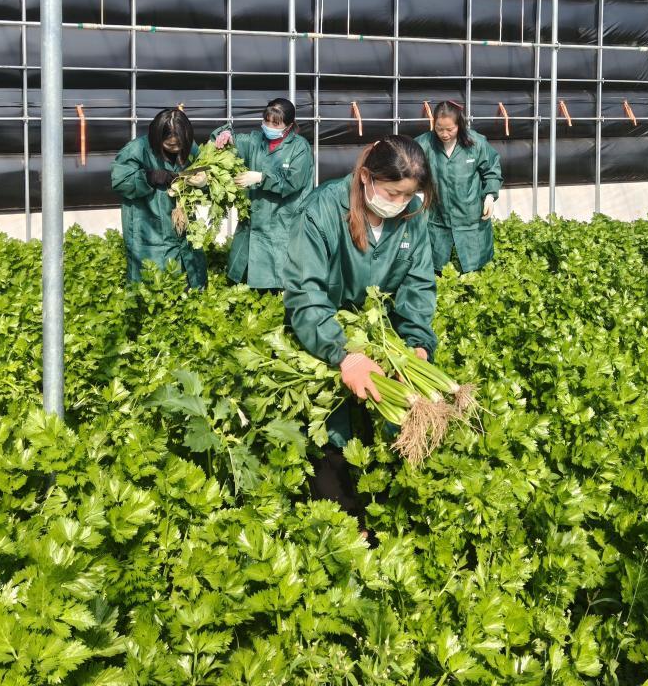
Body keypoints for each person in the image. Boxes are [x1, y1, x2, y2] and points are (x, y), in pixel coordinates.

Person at [283, 135, 437, 530]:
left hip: (380, 337)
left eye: (409, 195)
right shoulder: (323, 209)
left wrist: (417, 346)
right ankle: (341, 530)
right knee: (333, 437)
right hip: (324, 337)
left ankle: (383, 527)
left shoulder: (412, 215)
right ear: (366, 177)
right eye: (392, 193)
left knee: (382, 438)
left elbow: (418, 285)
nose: (400, 203)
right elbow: (306, 293)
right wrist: (342, 353)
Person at [210, 98, 313, 292]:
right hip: (253, 222)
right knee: (241, 283)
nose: (269, 127)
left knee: (277, 284)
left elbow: (293, 182)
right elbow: (230, 141)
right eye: (267, 121)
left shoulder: (300, 147)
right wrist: (225, 134)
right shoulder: (255, 141)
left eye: (276, 123)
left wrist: (260, 178)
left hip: (281, 223)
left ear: (289, 125)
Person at [110, 107, 208, 288]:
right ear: (157, 137)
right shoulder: (137, 150)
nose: (175, 148)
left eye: (179, 145)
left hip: (182, 225)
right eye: (169, 146)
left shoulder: (191, 148)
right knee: (154, 282)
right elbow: (120, 181)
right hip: (148, 227)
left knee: (189, 278)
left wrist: (203, 182)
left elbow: (208, 171)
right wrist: (150, 177)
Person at [414, 100, 503, 274]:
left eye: (450, 129)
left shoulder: (476, 142)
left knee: (475, 267)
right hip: (438, 213)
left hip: (471, 214)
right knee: (437, 266)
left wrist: (490, 196)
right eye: (439, 129)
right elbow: (404, 155)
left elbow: (492, 170)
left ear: (459, 125)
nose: (444, 134)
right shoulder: (425, 143)